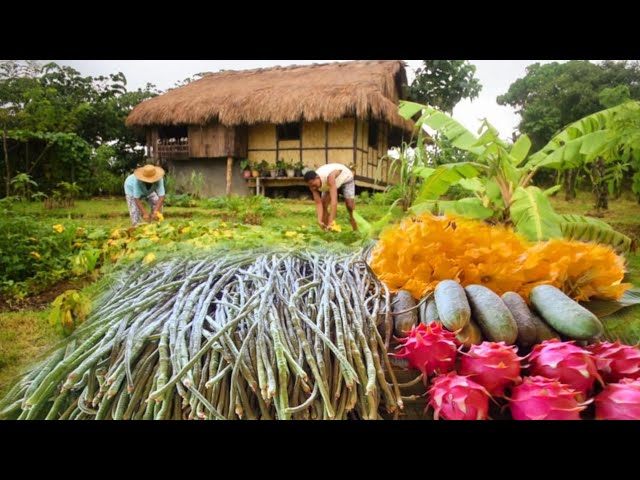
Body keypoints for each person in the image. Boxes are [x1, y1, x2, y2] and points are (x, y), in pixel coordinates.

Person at [304, 163, 357, 231]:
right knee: (323, 204)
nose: (313, 188)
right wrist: (319, 220)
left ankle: (356, 231)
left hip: (346, 178)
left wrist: (331, 220)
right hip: (329, 184)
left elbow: (334, 201)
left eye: (313, 184)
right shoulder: (312, 185)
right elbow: (318, 203)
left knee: (350, 206)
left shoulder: (330, 177)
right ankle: (327, 231)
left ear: (317, 177)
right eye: (310, 186)